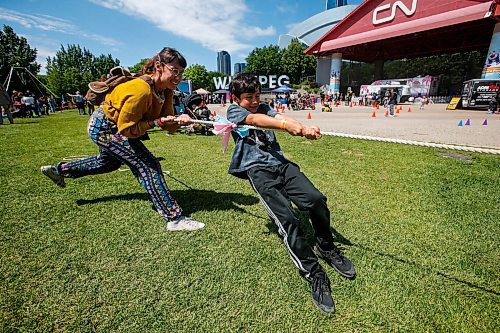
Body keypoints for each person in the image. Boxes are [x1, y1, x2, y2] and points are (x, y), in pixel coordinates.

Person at [226, 73, 356, 314]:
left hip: (281, 164)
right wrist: (286, 126)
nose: (254, 101)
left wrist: (303, 126)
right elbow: (256, 119)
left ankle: (326, 246)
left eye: (256, 96)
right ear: (235, 98)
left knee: (316, 200)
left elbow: (278, 115)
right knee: (288, 220)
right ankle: (314, 273)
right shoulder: (234, 112)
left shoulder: (264, 106)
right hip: (258, 170)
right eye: (248, 97)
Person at [41, 47, 204, 232]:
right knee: (148, 166)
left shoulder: (166, 90)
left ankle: (59, 170)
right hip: (104, 127)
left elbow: (168, 124)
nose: (178, 77)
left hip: (116, 128)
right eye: (174, 71)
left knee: (108, 164)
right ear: (158, 66)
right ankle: (174, 218)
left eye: (181, 72)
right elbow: (127, 130)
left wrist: (179, 121)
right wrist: (156, 122)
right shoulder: (140, 90)